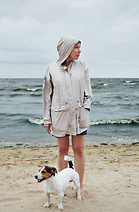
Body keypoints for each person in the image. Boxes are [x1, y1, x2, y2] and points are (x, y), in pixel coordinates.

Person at [43, 37, 92, 197]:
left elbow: (88, 93)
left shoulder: (82, 67)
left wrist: (85, 108)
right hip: (59, 115)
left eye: (80, 47)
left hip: (79, 116)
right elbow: (47, 97)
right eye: (76, 47)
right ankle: (60, 186)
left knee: (79, 150)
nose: (79, 51)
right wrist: (47, 119)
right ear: (66, 49)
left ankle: (80, 186)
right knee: (63, 150)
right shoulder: (51, 69)